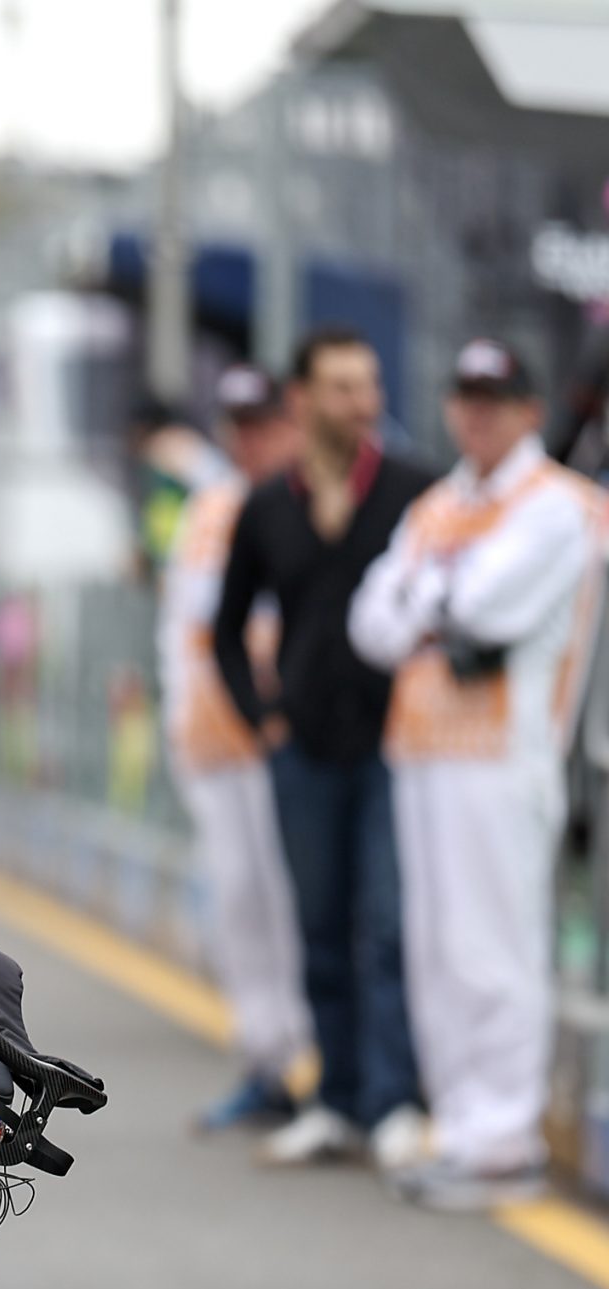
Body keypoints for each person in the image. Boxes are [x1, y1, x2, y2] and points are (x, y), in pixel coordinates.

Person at [350, 339, 607, 1212]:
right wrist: (436, 607)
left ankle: (504, 1137)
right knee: (437, 949)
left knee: (494, 945)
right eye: (467, 396)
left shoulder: (560, 504)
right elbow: (369, 623)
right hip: (424, 747)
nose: (480, 412)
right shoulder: (436, 506)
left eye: (497, 397)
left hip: (505, 754)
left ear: (530, 409)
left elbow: (485, 607)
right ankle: (463, 1126)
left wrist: (424, 602)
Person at [212, 327, 437, 1172]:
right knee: (318, 927)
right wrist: (263, 720)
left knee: (387, 923)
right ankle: (336, 1100)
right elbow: (226, 629)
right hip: (302, 751)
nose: (362, 402)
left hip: (394, 749)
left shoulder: (414, 491)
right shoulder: (268, 504)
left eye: (368, 385)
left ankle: (394, 1099)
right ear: (302, 399)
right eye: (342, 387)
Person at [158, 365, 311, 1129]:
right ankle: (266, 1060)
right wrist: (180, 726)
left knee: (294, 902)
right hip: (216, 746)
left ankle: (315, 1063)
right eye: (238, 425)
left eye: (263, 422)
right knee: (242, 904)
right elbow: (179, 630)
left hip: (280, 737)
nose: (249, 438)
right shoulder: (209, 506)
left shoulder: (305, 499)